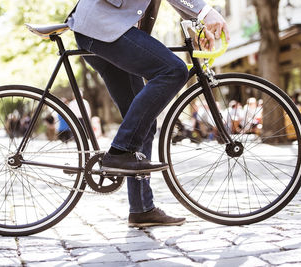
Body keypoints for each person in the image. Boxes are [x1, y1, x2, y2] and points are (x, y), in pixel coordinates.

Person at [66, 0, 229, 227]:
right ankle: (119, 152)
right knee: (173, 70)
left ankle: (141, 209)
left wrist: (198, 22)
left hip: (103, 29)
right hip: (104, 28)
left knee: (145, 122)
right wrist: (205, 12)